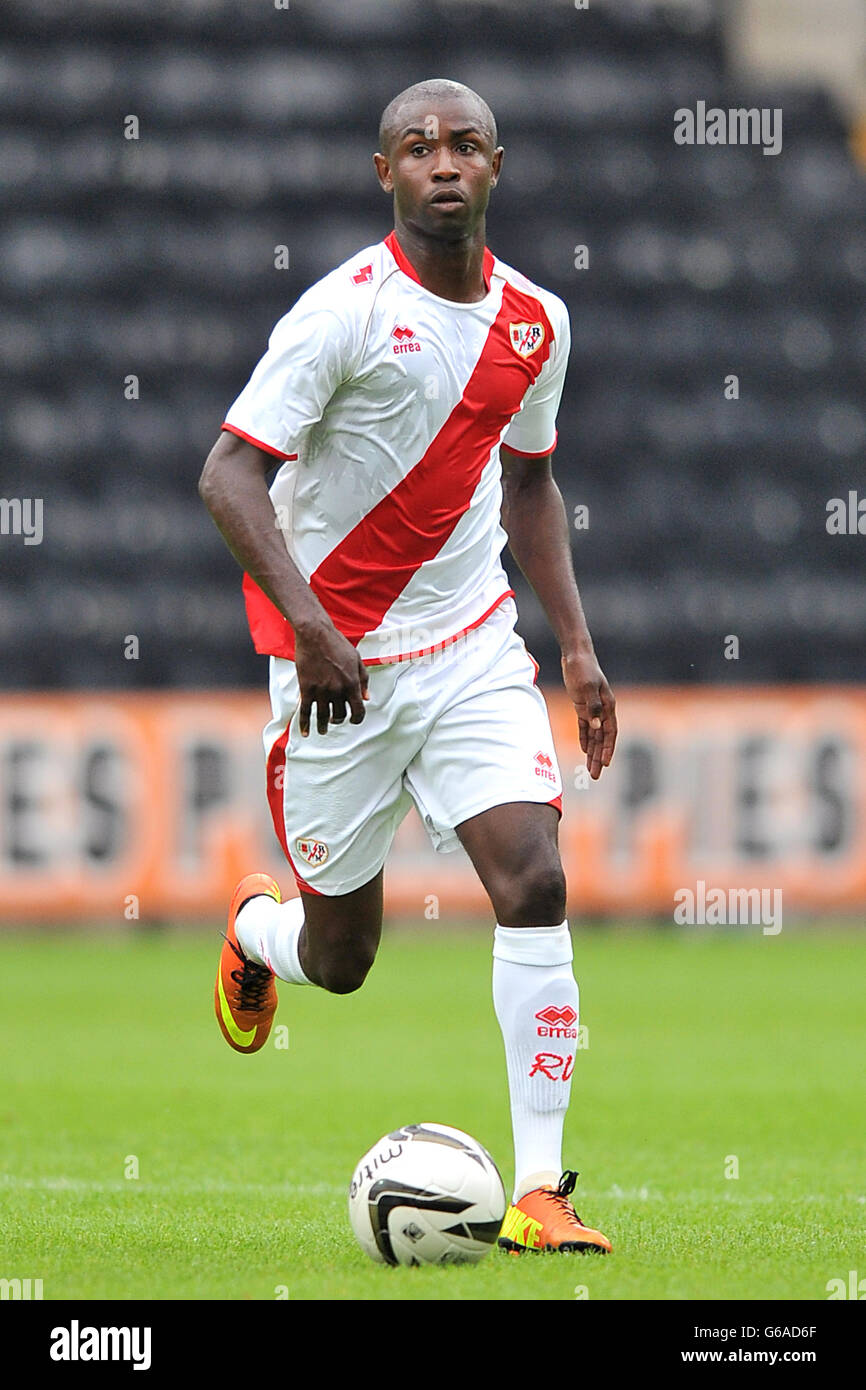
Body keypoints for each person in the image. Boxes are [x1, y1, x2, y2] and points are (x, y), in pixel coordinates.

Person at [199, 78, 617, 1255]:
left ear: (496, 167)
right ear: (383, 172)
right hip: (334, 669)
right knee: (343, 961)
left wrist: (575, 647)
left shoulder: (536, 321)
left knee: (532, 878)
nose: (443, 162)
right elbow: (227, 476)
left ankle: (539, 1191)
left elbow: (529, 483)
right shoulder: (337, 313)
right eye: (418, 147)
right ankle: (253, 935)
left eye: (465, 145)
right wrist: (316, 627)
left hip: (472, 643)